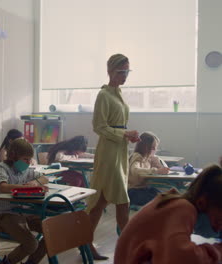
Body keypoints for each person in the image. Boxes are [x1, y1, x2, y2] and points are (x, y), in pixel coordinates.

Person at [86, 54, 140, 260]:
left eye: (127, 71)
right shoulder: (104, 95)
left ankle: (87, 243)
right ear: (109, 71)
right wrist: (124, 134)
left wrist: (128, 135)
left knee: (102, 200)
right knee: (120, 201)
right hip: (108, 152)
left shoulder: (119, 94)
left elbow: (118, 125)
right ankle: (131, 248)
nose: (124, 75)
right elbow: (98, 127)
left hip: (120, 149)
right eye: (120, 71)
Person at [114, 165, 222, 263]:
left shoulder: (176, 204)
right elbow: (182, 259)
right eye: (218, 221)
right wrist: (218, 250)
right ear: (201, 203)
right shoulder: (182, 208)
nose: (218, 229)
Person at [0, 138, 49, 264]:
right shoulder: (2, 168)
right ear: (13, 156)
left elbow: (44, 178)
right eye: (25, 159)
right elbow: (3, 186)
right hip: (3, 214)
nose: (28, 163)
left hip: (23, 211)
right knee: (31, 244)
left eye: (29, 159)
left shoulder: (24, 169)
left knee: (51, 233)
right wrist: (26, 188)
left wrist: (35, 182)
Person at [128, 132, 170, 206]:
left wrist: (158, 163)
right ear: (144, 146)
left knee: (167, 198)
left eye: (155, 147)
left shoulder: (148, 158)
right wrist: (156, 170)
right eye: (152, 147)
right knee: (161, 202)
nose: (154, 150)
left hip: (145, 189)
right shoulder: (137, 156)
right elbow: (135, 170)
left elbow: (163, 169)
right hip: (134, 191)